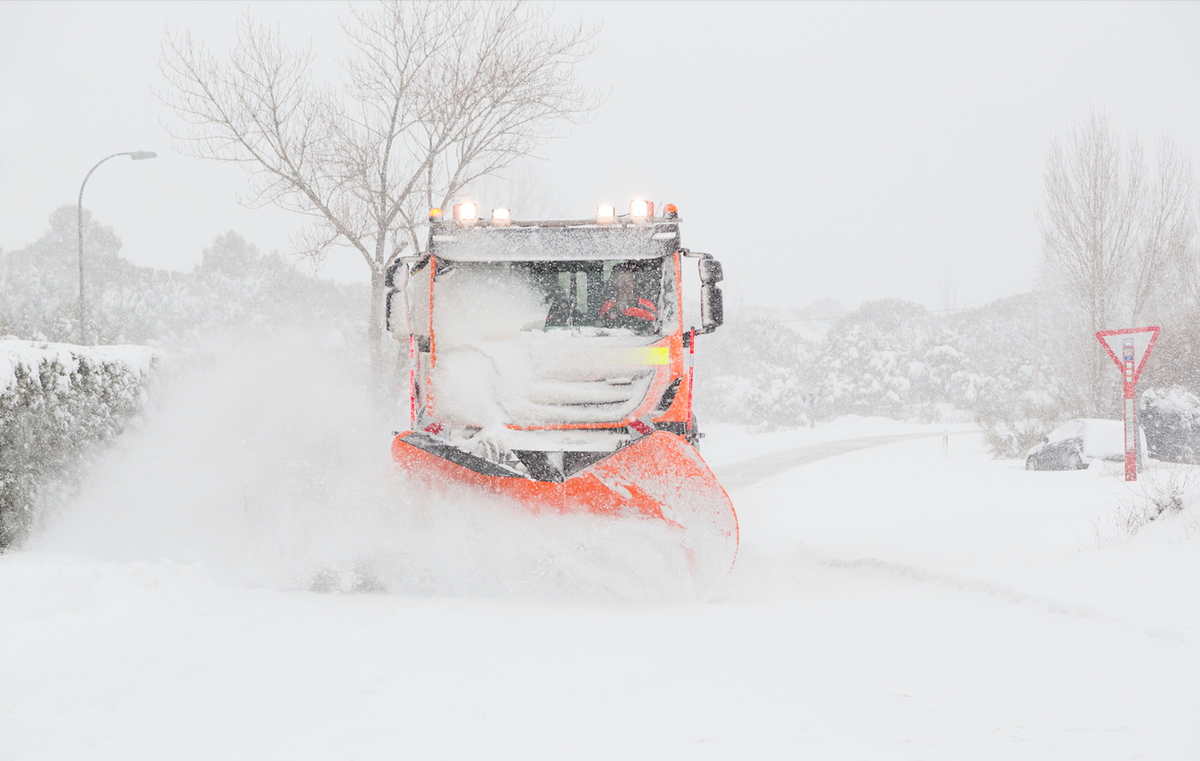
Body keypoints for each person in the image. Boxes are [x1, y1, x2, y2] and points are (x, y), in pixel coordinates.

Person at [600, 266, 657, 331]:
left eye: (628, 280)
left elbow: (655, 327)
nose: (625, 284)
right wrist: (616, 309)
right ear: (616, 284)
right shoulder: (608, 306)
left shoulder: (646, 305)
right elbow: (603, 329)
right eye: (621, 280)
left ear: (634, 284)